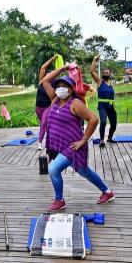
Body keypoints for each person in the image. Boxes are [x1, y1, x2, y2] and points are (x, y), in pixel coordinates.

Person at [41, 66, 115, 212]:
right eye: (59, 86)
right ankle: (107, 192)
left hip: (74, 146)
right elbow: (45, 80)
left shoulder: (75, 103)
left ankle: (59, 200)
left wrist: (84, 140)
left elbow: (93, 119)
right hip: (60, 145)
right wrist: (63, 68)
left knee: (53, 169)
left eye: (65, 86)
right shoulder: (55, 99)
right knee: (84, 171)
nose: (61, 88)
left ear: (71, 89)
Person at [90, 55, 117, 148]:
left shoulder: (110, 84)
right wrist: (94, 60)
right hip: (102, 106)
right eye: (104, 73)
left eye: (107, 73)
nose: (106, 74)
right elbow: (92, 71)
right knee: (103, 122)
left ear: (110, 74)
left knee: (114, 123)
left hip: (111, 106)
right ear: (102, 74)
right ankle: (102, 140)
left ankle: (109, 138)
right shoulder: (99, 81)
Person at [36, 55, 57, 150]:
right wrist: (52, 59)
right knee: (45, 126)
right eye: (47, 74)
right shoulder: (41, 82)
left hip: (47, 107)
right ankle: (52, 141)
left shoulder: (54, 86)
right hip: (38, 108)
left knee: (43, 123)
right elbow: (43, 68)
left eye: (51, 74)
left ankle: (39, 143)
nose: (48, 76)